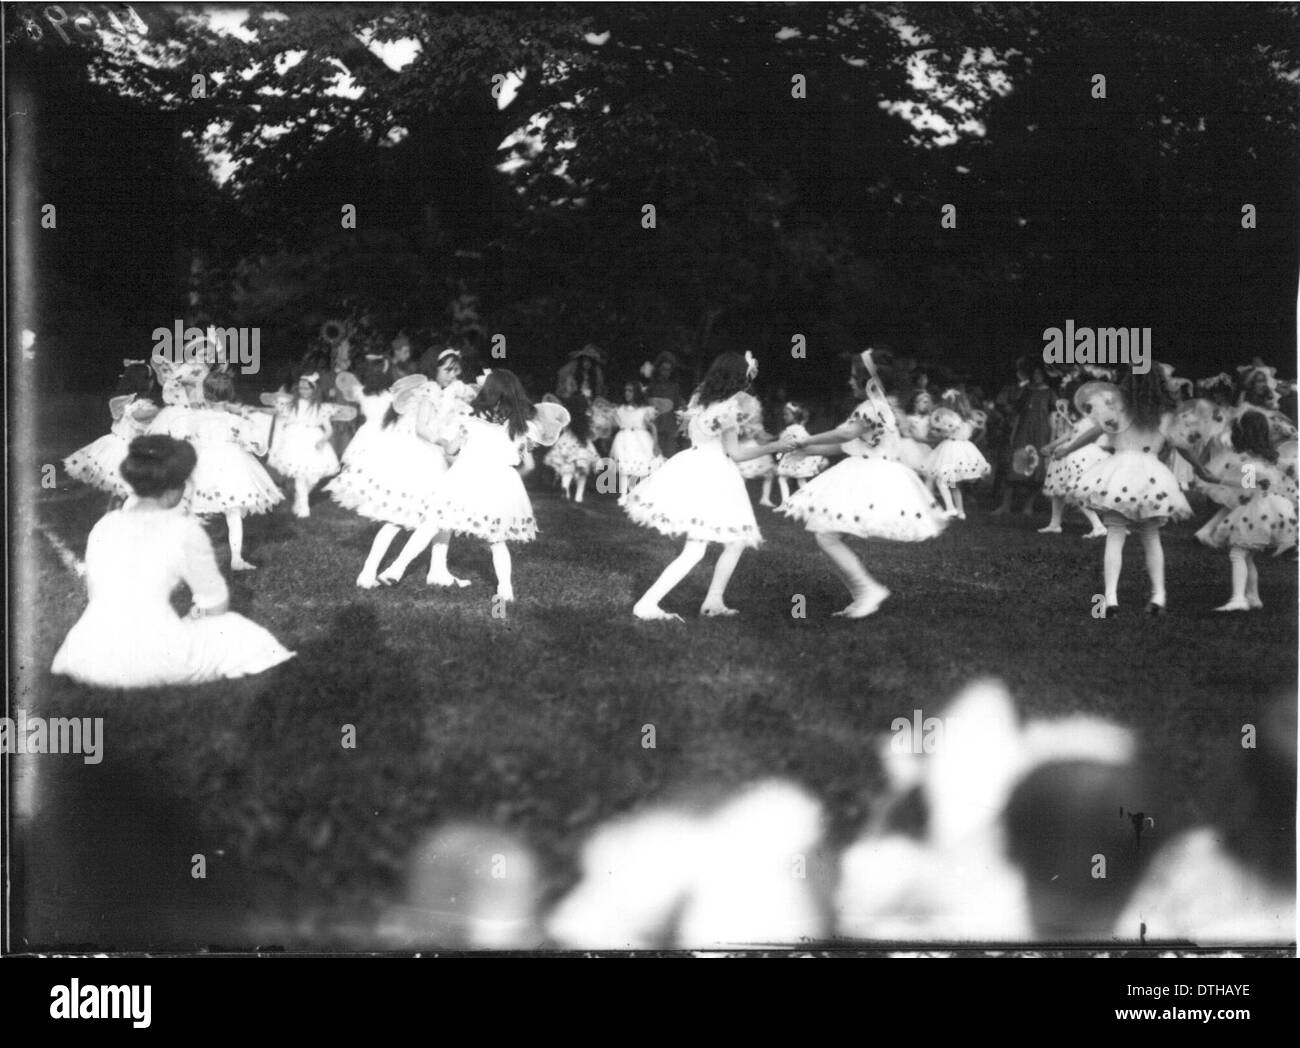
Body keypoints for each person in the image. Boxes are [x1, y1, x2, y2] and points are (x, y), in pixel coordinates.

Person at [51, 435, 294, 688]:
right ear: (175, 489)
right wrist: (195, 614)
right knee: (239, 632)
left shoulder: (105, 524)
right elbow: (215, 604)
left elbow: (96, 591)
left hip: (87, 652)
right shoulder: (184, 530)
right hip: (155, 656)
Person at [622, 351, 790, 620]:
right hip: (715, 474)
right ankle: (648, 604)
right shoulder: (728, 411)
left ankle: (713, 601)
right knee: (699, 548)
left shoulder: (701, 405)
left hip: (695, 466)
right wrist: (775, 446)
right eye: (747, 375)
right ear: (739, 377)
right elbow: (736, 453)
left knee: (732, 541)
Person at [780, 350, 948, 618]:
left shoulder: (872, 408)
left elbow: (846, 433)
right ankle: (863, 593)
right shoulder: (882, 408)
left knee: (826, 536)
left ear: (870, 382)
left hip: (870, 476)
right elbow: (845, 444)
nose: (849, 382)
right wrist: (808, 451)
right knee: (826, 535)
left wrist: (807, 441)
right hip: (869, 470)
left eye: (853, 378)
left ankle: (867, 591)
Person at [384, 370, 568, 602]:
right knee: (497, 540)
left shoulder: (470, 422)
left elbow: (451, 450)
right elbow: (525, 461)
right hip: (500, 482)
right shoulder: (522, 427)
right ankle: (505, 589)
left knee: (433, 523)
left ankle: (397, 568)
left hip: (466, 476)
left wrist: (450, 443)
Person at [1057, 368, 1193, 616]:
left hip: (1118, 473)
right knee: (1151, 536)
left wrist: (1066, 450)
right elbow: (1184, 447)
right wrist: (1203, 471)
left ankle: (1110, 599)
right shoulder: (1164, 416)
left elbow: (1094, 433)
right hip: (1151, 474)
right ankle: (1158, 595)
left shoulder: (1119, 411)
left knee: (1116, 534)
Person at [1191, 410, 1298, 611]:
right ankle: (1253, 597)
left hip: (1256, 511)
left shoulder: (1248, 460)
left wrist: (1217, 480)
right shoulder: (1270, 457)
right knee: (1248, 556)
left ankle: (1238, 599)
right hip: (1274, 509)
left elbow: (1247, 486)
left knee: (1237, 554)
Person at [63, 360, 160, 506]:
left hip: (112, 444)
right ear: (147, 383)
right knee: (128, 493)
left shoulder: (123, 402)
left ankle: (115, 515)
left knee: (120, 494)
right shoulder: (142, 407)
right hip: (125, 451)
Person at [925, 390, 991, 520]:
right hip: (963, 450)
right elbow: (980, 430)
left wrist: (937, 430)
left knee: (941, 481)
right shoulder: (970, 422)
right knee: (953, 484)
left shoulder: (952, 421)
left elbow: (945, 433)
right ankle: (960, 511)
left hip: (951, 452)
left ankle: (950, 508)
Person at [644, 351, 686, 458]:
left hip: (669, 432)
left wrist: (678, 429)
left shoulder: (674, 387)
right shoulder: (651, 387)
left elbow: (680, 409)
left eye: (669, 370)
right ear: (658, 369)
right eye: (663, 369)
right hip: (653, 431)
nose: (666, 373)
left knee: (668, 460)